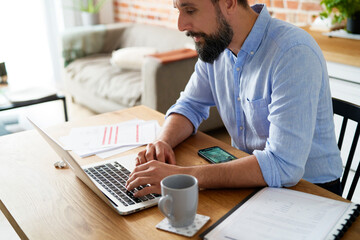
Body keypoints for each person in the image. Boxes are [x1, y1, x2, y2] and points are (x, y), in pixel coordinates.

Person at [126, 0, 343, 197]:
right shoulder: (217, 46)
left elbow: (283, 166)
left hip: (311, 192)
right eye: (178, 10)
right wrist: (162, 141)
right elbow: (190, 106)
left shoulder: (293, 53)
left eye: (190, 10)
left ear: (229, 3)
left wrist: (182, 176)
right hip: (252, 179)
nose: (181, 25)